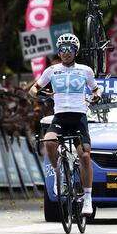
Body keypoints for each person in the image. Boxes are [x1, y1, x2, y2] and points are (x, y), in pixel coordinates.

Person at [28, 33, 101, 216]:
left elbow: (95, 88)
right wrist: (41, 94)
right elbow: (33, 89)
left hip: (78, 118)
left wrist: (96, 94)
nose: (66, 52)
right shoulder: (51, 71)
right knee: (49, 142)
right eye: (63, 49)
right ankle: (57, 175)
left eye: (70, 49)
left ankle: (87, 198)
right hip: (60, 117)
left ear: (75, 52)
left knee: (84, 156)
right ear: (59, 52)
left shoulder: (85, 70)